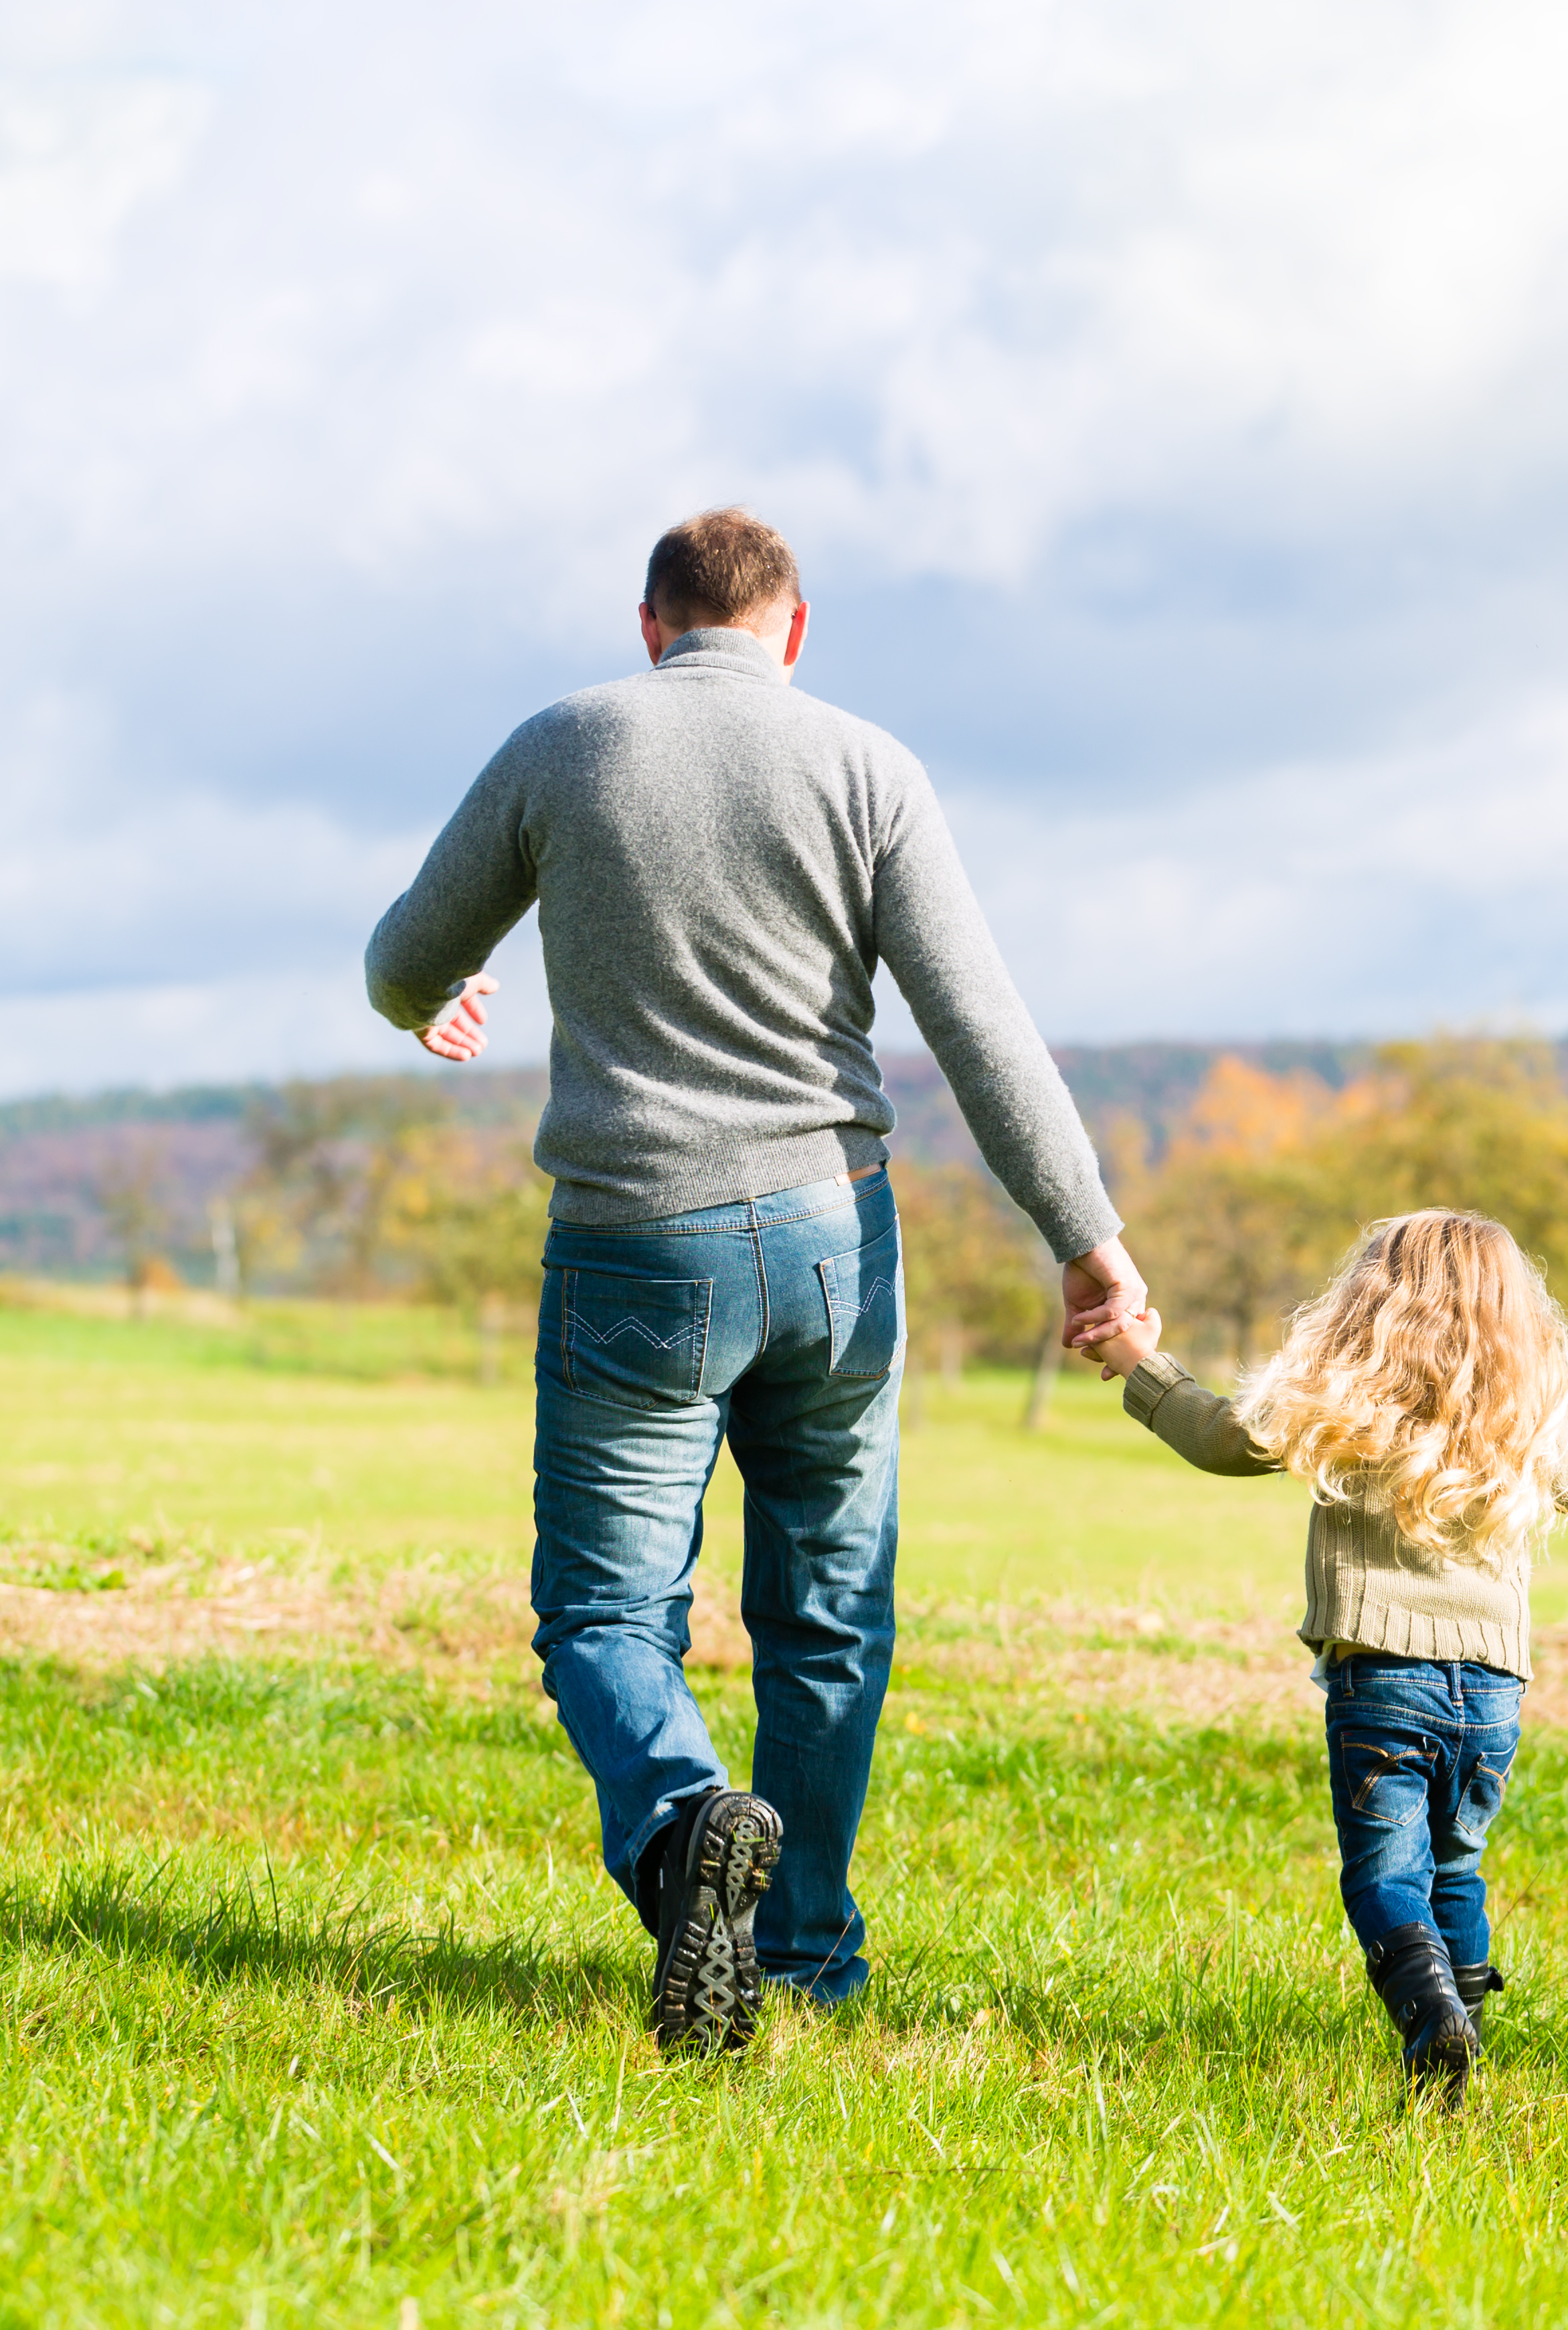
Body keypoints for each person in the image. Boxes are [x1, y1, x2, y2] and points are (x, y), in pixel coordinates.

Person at [365, 506, 1141, 2057]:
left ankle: (681, 1824)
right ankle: (805, 1958)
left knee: (604, 1608)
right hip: (832, 1244)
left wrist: (430, 1002)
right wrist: (1087, 1234)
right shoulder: (869, 768)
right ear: (793, 634)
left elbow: (403, 956)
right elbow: (981, 1028)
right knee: (831, 1611)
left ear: (648, 628)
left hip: (637, 1240)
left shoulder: (565, 745)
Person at [1075, 1211, 1568, 2102]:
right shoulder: (1530, 1416)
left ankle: (1430, 2018)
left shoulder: (1349, 1397)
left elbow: (1222, 1439)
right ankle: (1454, 2064)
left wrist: (1139, 1364)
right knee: (1456, 1867)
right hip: (1494, 1693)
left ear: (1371, 1303)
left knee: (1385, 1875)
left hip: (1380, 1678)